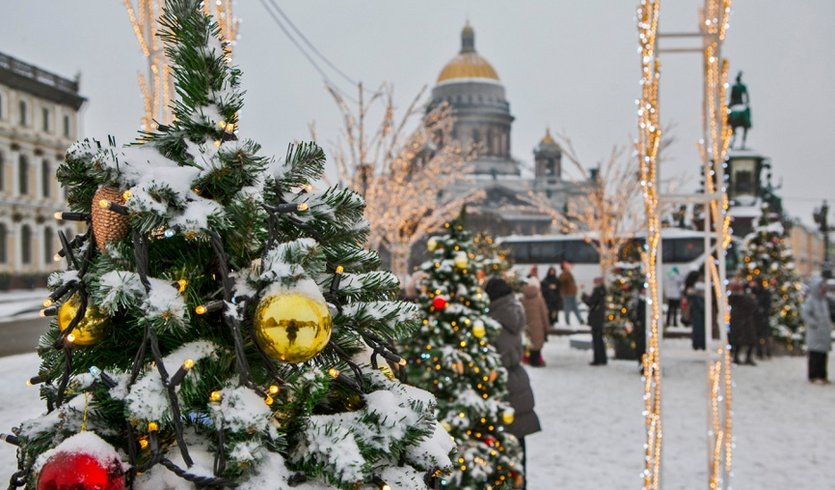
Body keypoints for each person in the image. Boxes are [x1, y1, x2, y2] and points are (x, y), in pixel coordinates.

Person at [484, 277, 542, 484]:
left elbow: (496, 354)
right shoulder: (514, 310)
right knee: (518, 445)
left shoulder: (492, 319)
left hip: (503, 382)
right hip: (518, 380)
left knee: (505, 444)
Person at [801, 276, 832, 384]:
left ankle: (822, 375)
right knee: (815, 356)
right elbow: (805, 314)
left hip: (824, 333)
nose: (824, 289)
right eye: (822, 287)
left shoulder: (824, 301)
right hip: (815, 333)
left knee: (823, 356)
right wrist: (814, 324)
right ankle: (813, 376)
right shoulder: (811, 300)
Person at [521, 277, 549, 367]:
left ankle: (529, 359)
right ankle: (536, 361)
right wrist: (546, 327)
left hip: (526, 325)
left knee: (529, 343)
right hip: (538, 325)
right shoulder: (539, 299)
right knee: (537, 344)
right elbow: (544, 313)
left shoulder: (522, 298)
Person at [728, 280, 757, 365]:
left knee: (738, 341)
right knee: (749, 340)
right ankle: (746, 357)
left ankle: (737, 357)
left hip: (738, 321)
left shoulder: (732, 298)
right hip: (745, 321)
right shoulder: (744, 298)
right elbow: (752, 306)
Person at [582, 277, 607, 366]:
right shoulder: (603, 292)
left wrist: (584, 298)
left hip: (596, 318)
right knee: (600, 339)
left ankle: (597, 359)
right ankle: (603, 358)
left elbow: (590, 302)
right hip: (600, 318)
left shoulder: (597, 291)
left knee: (596, 339)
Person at [685, 271, 706, 350]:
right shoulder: (697, 289)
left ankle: (697, 343)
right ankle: (700, 343)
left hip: (696, 310)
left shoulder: (692, 288)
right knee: (700, 327)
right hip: (698, 310)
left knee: (698, 328)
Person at [751, 282, 772, 359]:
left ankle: (767, 352)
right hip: (757, 317)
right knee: (758, 336)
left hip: (763, 317)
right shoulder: (753, 292)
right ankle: (759, 352)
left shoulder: (764, 293)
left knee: (765, 335)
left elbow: (767, 304)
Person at [559, 260, 583, 325]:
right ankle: (567, 321)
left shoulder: (568, 273)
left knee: (575, 308)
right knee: (567, 308)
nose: (569, 265)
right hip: (567, 294)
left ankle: (580, 320)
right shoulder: (564, 274)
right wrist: (567, 271)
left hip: (572, 294)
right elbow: (562, 280)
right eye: (566, 265)